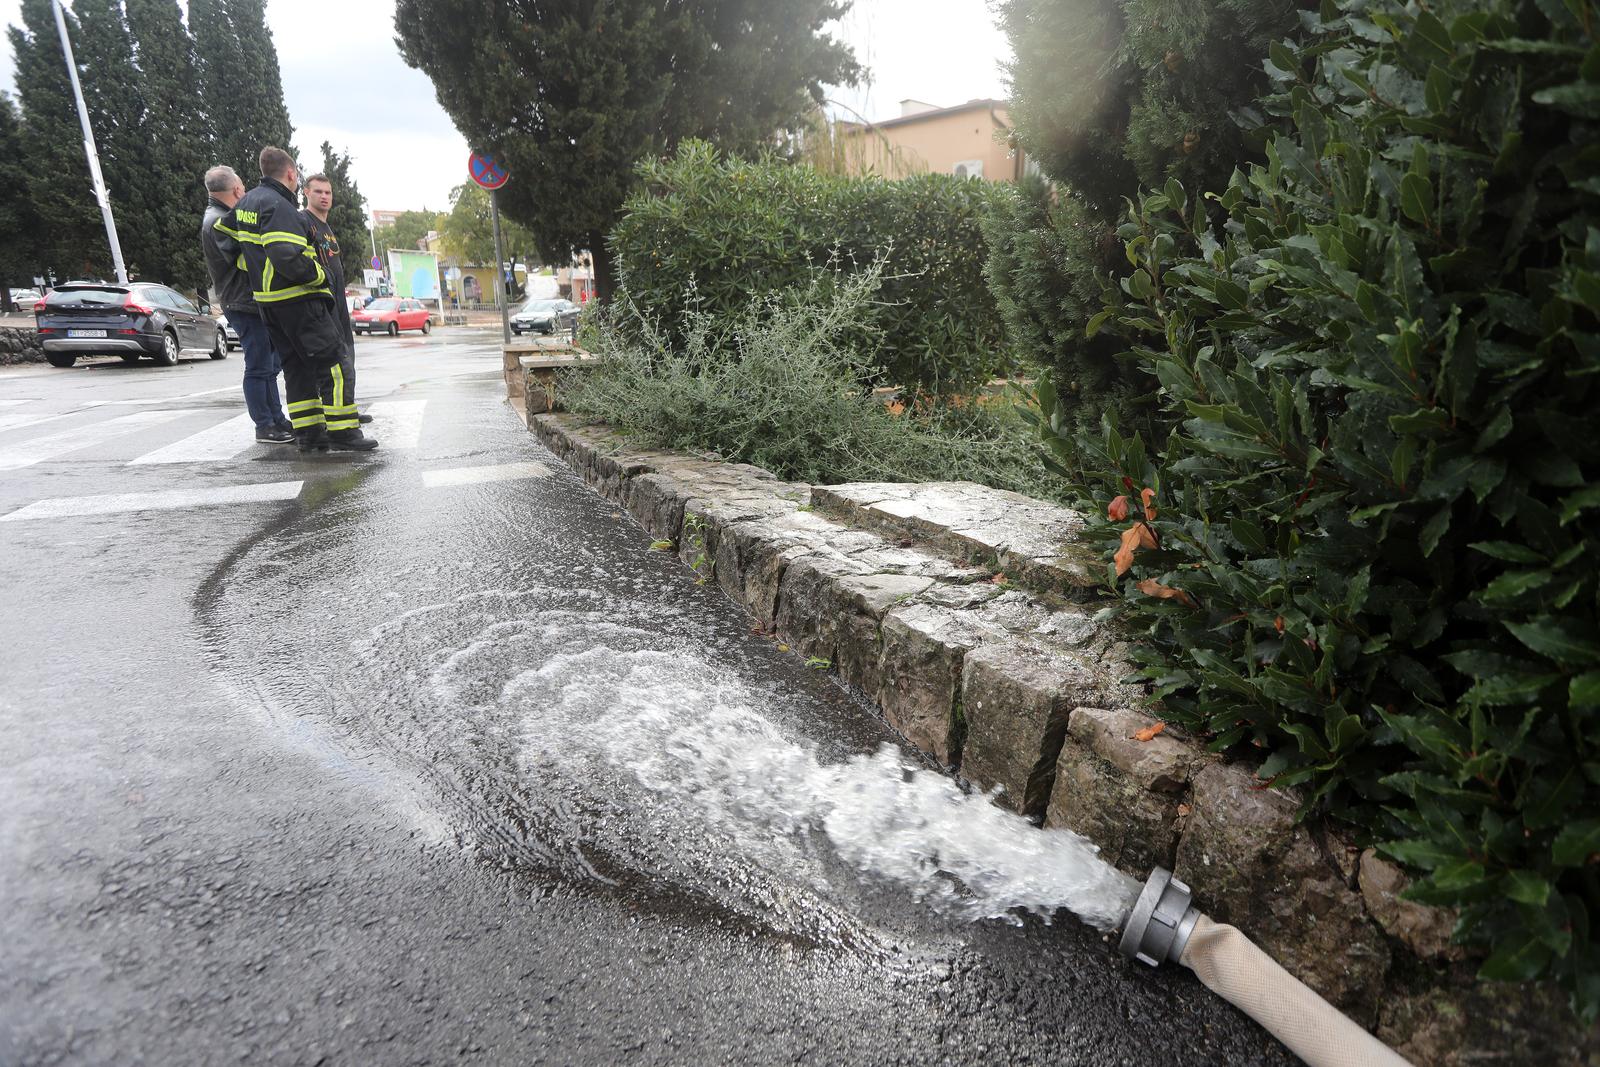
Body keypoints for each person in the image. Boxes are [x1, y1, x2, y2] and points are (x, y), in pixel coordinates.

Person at [212, 147, 377, 453]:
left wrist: (256, 268)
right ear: (291, 173)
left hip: (269, 305)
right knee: (335, 364)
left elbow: (223, 236)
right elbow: (287, 256)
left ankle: (309, 434)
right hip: (298, 300)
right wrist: (321, 276)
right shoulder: (279, 206)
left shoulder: (246, 203)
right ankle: (343, 431)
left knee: (297, 368)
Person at [199, 165, 294, 443]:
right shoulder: (219, 221)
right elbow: (247, 258)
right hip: (243, 302)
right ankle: (264, 425)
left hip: (247, 300)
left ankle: (276, 419)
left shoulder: (217, 217)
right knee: (259, 365)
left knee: (268, 365)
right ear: (238, 190)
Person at [301, 173, 371, 426]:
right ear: (306, 193)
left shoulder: (327, 228)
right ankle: (333, 416)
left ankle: (347, 408)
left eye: (328, 192)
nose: (324, 197)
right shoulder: (304, 222)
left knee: (347, 361)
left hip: (340, 309)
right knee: (333, 366)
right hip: (322, 307)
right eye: (318, 191)